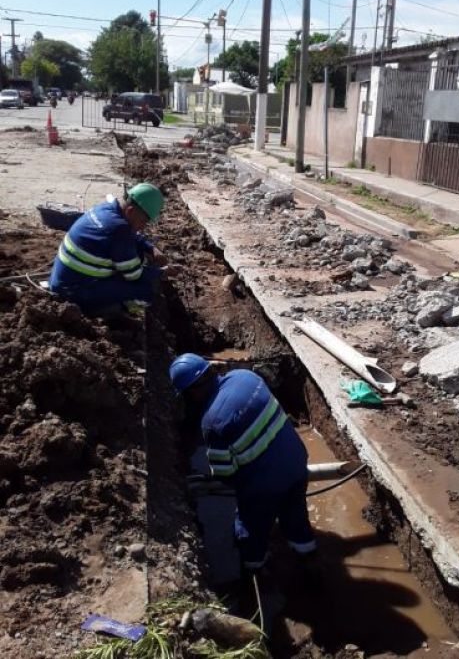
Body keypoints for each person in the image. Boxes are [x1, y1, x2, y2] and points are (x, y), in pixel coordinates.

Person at [169, 354, 317, 574]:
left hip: (265, 486)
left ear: (191, 391)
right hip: (297, 460)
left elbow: (225, 474)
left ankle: (254, 572)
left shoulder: (212, 423)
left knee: (250, 528)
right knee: (294, 513)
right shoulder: (246, 376)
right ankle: (309, 560)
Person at [49, 182, 168, 315]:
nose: (143, 227)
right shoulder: (119, 230)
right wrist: (161, 273)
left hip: (62, 281)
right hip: (72, 293)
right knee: (145, 290)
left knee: (136, 254)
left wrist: (151, 248)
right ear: (130, 211)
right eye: (143, 222)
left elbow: (131, 237)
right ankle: (117, 312)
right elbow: (134, 276)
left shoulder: (107, 209)